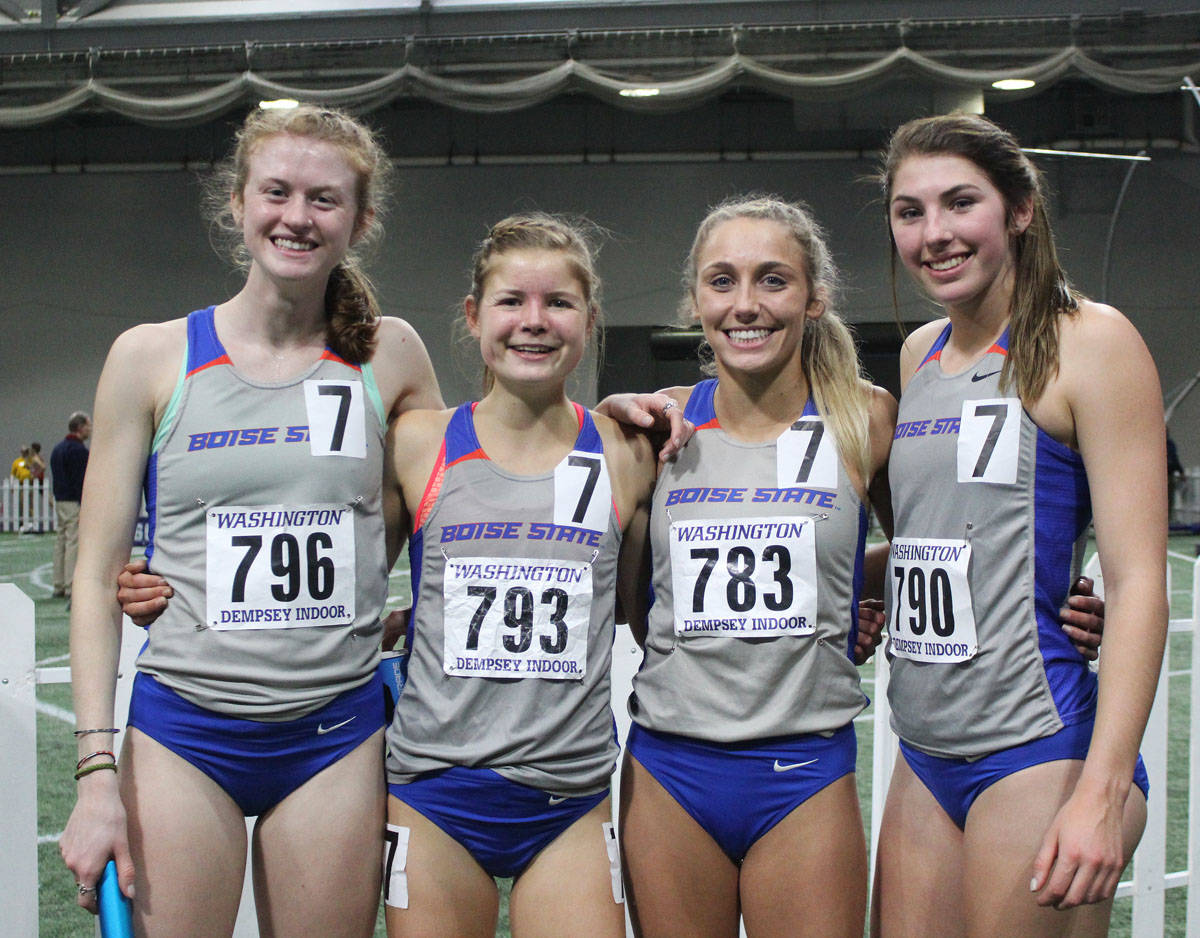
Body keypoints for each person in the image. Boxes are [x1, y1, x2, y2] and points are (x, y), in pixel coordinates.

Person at [58, 103, 442, 938]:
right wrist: (94, 777)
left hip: (335, 737)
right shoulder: (150, 358)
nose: (297, 217)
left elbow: (463, 493)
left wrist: (626, 419)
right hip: (185, 731)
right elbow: (93, 576)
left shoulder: (393, 355)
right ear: (237, 203)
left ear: (360, 221)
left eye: (324, 199)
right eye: (276, 192)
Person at [871, 113, 1165, 938]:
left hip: (1038, 744)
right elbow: (946, 542)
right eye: (910, 211)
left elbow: (1140, 578)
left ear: (1020, 210)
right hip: (925, 751)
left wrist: (1101, 795)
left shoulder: (1091, 342)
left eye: (960, 203)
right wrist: (862, 590)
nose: (934, 234)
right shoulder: (919, 354)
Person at [381, 214, 656, 937]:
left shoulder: (628, 451)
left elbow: (641, 606)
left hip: (568, 800)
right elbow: (337, 570)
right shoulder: (417, 443)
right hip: (433, 794)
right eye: (511, 302)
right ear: (474, 317)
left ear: (590, 322)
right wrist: (163, 580)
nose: (534, 323)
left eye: (558, 304)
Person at [50, 413, 91, 597]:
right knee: (73, 541)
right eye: (88, 426)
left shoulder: (57, 449)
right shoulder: (78, 451)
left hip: (60, 500)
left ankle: (58, 583)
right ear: (81, 428)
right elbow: (79, 481)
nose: (90, 429)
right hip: (73, 501)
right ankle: (70, 585)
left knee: (61, 541)